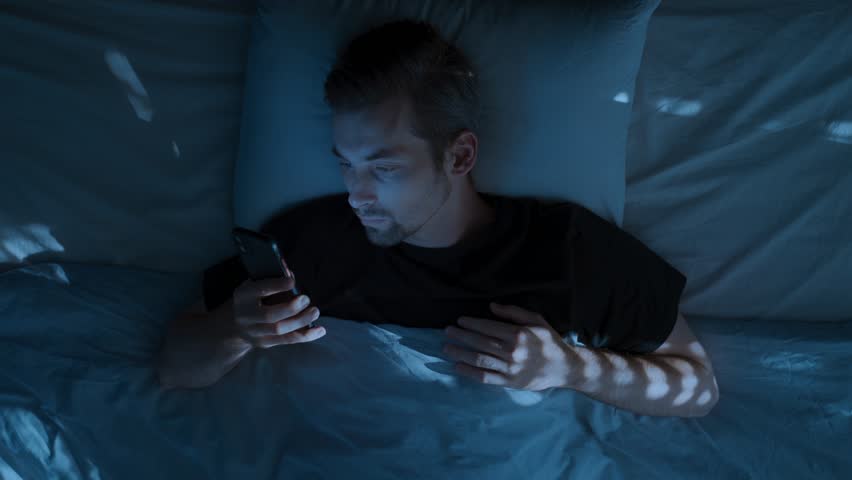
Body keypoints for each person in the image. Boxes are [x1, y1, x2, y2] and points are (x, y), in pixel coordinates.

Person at [157, 20, 718, 418]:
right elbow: (176, 366)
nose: (357, 195)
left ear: (459, 156)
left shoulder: (566, 248)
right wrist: (234, 330)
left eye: (384, 168)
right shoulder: (313, 240)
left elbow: (697, 386)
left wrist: (570, 367)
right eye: (347, 165)